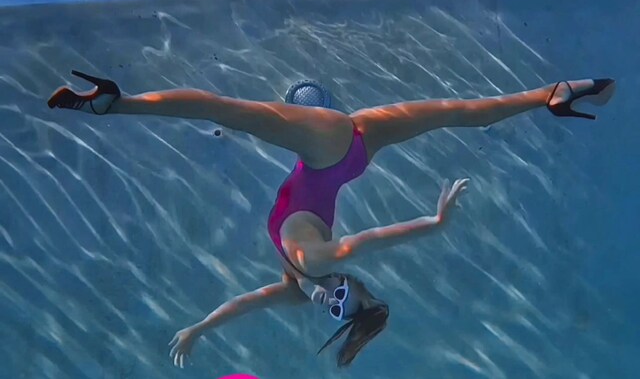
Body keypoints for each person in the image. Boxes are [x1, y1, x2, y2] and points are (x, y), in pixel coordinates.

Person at [48, 70, 616, 368]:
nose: (337, 298)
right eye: (351, 295)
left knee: (460, 114)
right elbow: (369, 240)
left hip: (350, 154)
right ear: (354, 285)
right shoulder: (319, 261)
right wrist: (435, 223)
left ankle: (554, 93)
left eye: (341, 308)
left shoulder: (297, 287)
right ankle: (116, 104)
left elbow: (244, 304)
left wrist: (199, 328)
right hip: (329, 149)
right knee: (228, 111)